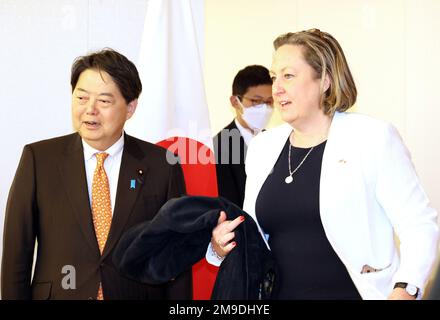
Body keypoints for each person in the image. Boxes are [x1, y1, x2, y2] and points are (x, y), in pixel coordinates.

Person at [208, 29, 439, 300]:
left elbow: (419, 225)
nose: (277, 88)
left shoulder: (372, 138)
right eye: (274, 77)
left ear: (325, 80)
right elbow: (254, 237)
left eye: (288, 76)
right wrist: (218, 247)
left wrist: (406, 288)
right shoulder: (263, 147)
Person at [1, 48, 192, 300]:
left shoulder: (162, 165)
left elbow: (175, 254)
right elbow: (17, 255)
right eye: (81, 98)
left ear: (130, 107)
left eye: (104, 101)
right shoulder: (39, 159)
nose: (90, 109)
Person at [214, 65, 273, 208]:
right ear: (235, 102)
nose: (264, 108)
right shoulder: (219, 147)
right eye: (256, 101)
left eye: (269, 101)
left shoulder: (276, 141)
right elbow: (227, 204)